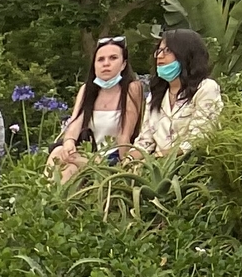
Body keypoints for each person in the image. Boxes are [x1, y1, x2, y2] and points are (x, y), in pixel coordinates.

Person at [49, 37, 143, 177]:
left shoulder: (132, 88)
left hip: (114, 157)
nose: (106, 64)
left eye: (113, 58)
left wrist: (125, 168)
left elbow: (125, 136)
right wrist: (69, 142)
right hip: (90, 152)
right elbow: (75, 123)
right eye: (101, 59)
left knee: (71, 164)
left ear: (123, 65)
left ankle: (53, 197)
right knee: (60, 155)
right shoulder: (87, 90)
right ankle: (49, 196)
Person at [134, 28, 224, 159]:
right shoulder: (157, 94)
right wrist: (129, 159)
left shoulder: (206, 88)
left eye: (168, 51)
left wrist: (158, 158)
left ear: (186, 54)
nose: (159, 56)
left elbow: (199, 138)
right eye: (158, 51)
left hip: (190, 169)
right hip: (156, 172)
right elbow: (145, 142)